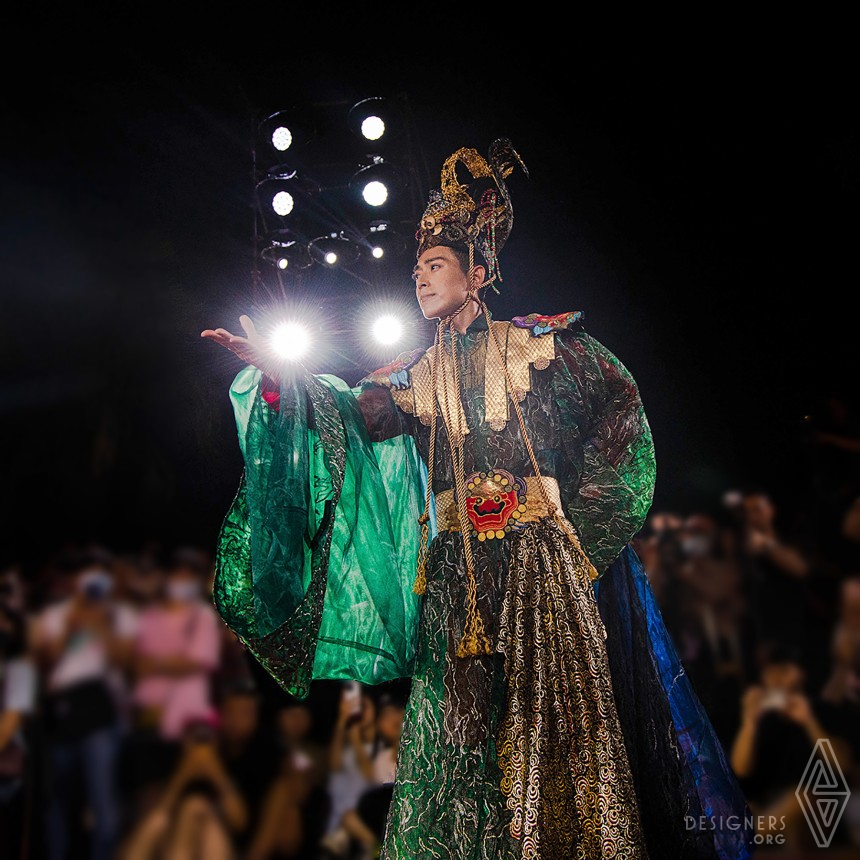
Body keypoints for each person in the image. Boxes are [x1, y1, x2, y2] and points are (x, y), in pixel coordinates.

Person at [203, 139, 754, 859]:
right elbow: (345, 420)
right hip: (454, 578)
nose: (420, 278)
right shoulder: (410, 375)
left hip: (539, 569)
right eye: (417, 270)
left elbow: (623, 421)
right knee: (455, 738)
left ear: (479, 273)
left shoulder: (547, 348)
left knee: (552, 729)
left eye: (435, 265)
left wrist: (577, 539)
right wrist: (284, 380)